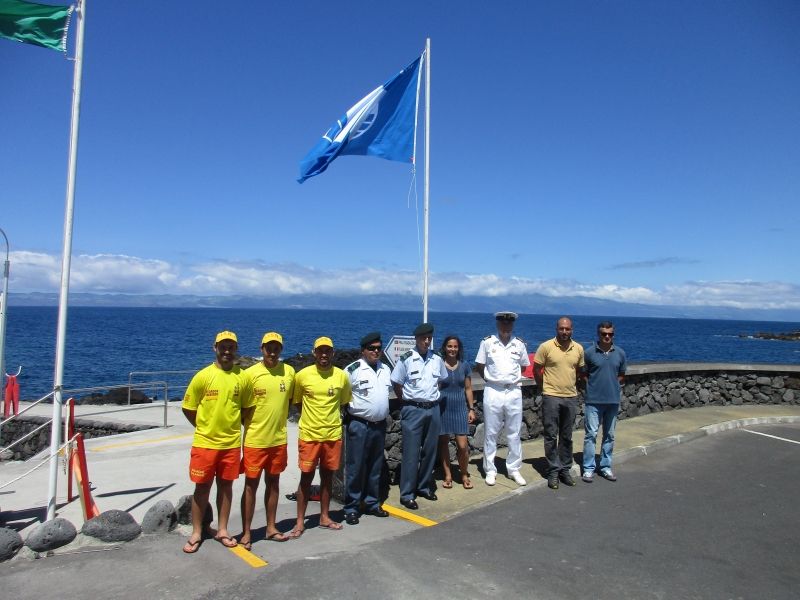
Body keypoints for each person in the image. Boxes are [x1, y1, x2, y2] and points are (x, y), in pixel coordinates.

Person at [181, 330, 254, 553]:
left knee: (226, 488)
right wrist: (204, 427)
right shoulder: (203, 376)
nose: (227, 351)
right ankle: (196, 532)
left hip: (230, 445)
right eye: (223, 346)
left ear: (236, 349)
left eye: (231, 347)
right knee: (201, 488)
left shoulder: (243, 377)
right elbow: (188, 408)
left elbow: (248, 408)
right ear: (215, 348)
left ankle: (222, 529)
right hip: (205, 444)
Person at [289, 336, 352, 538]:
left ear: (332, 353)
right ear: (314, 353)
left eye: (327, 351)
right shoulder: (302, 376)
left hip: (332, 434)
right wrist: (310, 419)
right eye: (320, 351)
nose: (324, 354)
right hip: (309, 435)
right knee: (305, 478)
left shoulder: (341, 376)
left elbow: (343, 402)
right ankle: (300, 522)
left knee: (327, 478)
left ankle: (324, 516)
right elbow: (297, 402)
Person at [238, 332, 295, 549]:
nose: (272, 351)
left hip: (278, 440)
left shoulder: (289, 372)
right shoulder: (250, 374)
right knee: (250, 486)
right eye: (268, 347)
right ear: (262, 349)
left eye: (276, 347)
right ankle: (246, 532)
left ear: (281, 349)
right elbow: (242, 408)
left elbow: (290, 400)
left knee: (274, 483)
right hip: (254, 441)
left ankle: (271, 528)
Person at [390, 322, 448, 510]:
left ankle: (424, 486)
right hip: (413, 409)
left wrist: (430, 399)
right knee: (411, 453)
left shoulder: (436, 358)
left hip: (433, 409)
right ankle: (407, 494)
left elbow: (440, 381)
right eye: (423, 338)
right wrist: (407, 401)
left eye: (429, 338)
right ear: (416, 339)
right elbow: (396, 383)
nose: (426, 341)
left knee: (430, 451)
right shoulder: (407, 358)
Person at [474, 312, 531, 487]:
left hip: (513, 391)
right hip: (493, 390)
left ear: (512, 325)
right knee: (491, 432)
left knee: (514, 432)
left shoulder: (519, 344)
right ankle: (490, 470)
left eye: (509, 323)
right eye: (502, 323)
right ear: (498, 324)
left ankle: (514, 469)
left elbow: (523, 365)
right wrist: (493, 381)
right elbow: (479, 366)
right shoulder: (487, 342)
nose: (506, 326)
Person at [343, 332, 392, 525]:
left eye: (379, 348)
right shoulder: (352, 370)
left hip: (379, 425)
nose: (376, 351)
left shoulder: (385, 369)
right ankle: (352, 507)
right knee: (356, 467)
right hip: (359, 425)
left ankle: (372, 503)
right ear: (363, 350)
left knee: (375, 467)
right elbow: (343, 395)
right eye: (372, 348)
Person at [534, 317, 585, 490]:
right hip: (551, 396)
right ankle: (553, 470)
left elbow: (578, 371)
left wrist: (572, 387)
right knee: (550, 435)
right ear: (556, 329)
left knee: (567, 436)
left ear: (572, 330)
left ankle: (565, 469)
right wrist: (545, 388)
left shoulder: (578, 348)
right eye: (562, 329)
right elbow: (536, 370)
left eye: (568, 329)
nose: (564, 332)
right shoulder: (546, 347)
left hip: (570, 397)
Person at [582, 321, 627, 483]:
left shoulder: (620, 353)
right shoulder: (589, 353)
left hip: (612, 401)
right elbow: (584, 374)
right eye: (603, 334)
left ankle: (606, 466)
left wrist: (612, 386)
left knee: (609, 435)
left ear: (613, 335)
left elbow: (621, 375)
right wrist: (592, 386)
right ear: (598, 334)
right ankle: (588, 468)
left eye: (610, 334)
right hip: (593, 401)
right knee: (591, 435)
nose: (607, 336)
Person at [437, 335, 476, 490]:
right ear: (445, 348)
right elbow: (436, 386)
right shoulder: (439, 365)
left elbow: (468, 389)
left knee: (462, 446)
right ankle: (448, 475)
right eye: (449, 346)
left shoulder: (465, 365)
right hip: (443, 407)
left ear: (458, 349)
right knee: (444, 443)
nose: (452, 349)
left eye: (455, 346)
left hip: (460, 408)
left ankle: (464, 473)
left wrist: (471, 408)